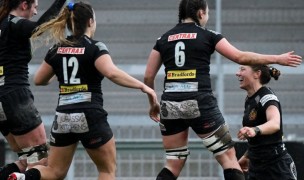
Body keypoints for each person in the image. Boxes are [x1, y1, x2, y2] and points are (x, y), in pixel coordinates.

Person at [143, 0, 302, 179]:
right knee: (228, 158)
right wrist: (277, 58)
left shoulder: (162, 39)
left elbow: (148, 77)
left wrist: (153, 103)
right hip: (199, 102)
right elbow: (239, 56)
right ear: (201, 13)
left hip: (169, 104)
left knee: (173, 162)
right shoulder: (208, 35)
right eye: (207, 13)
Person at [8, 1, 160, 180]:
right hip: (89, 114)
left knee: (54, 171)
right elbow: (112, 73)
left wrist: (61, 72)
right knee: (106, 170)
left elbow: (39, 80)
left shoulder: (56, 49)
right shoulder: (95, 47)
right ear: (90, 22)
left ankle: (23, 177)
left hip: (63, 117)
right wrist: (144, 87)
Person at [0, 0, 66, 179]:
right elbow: (39, 27)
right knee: (40, 159)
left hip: (2, 101)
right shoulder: (13, 22)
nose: (36, 12)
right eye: (35, 7)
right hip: (15, 97)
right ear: (23, 5)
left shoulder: (2, 25)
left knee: (25, 159)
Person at [236, 65, 297, 180]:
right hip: (256, 167)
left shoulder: (267, 97)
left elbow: (274, 124)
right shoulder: (249, 100)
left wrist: (255, 130)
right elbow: (262, 140)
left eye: (242, 69)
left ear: (257, 74)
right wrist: (247, 156)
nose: (237, 73)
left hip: (277, 168)